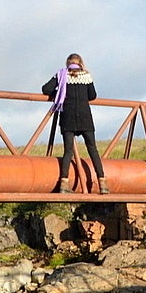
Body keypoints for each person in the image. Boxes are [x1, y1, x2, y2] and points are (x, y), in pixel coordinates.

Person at [42, 53, 109, 194]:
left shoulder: (61, 75)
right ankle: (102, 183)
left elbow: (45, 89)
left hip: (68, 117)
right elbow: (93, 95)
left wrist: (59, 92)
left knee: (68, 151)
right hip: (85, 117)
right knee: (93, 149)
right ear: (81, 63)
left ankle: (64, 184)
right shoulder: (86, 76)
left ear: (68, 63)